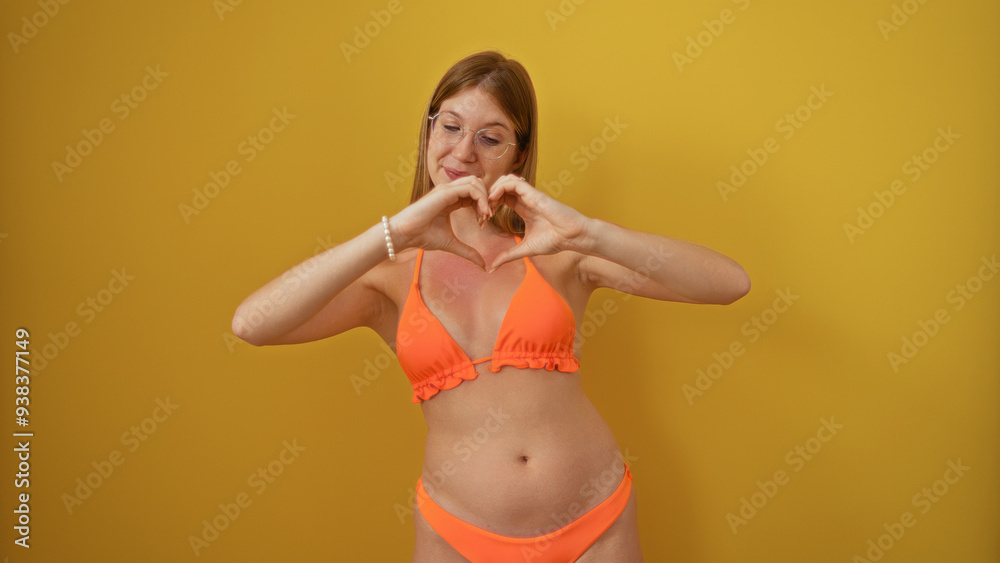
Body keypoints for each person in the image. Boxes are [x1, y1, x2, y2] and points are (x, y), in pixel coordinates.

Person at [232, 50, 750, 563]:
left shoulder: (557, 251)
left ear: (518, 155)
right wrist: (392, 233)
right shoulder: (387, 276)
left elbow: (729, 283)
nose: (463, 152)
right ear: (428, 131)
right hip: (455, 535)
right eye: (450, 126)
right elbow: (252, 324)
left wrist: (590, 233)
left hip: (596, 525)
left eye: (490, 137)